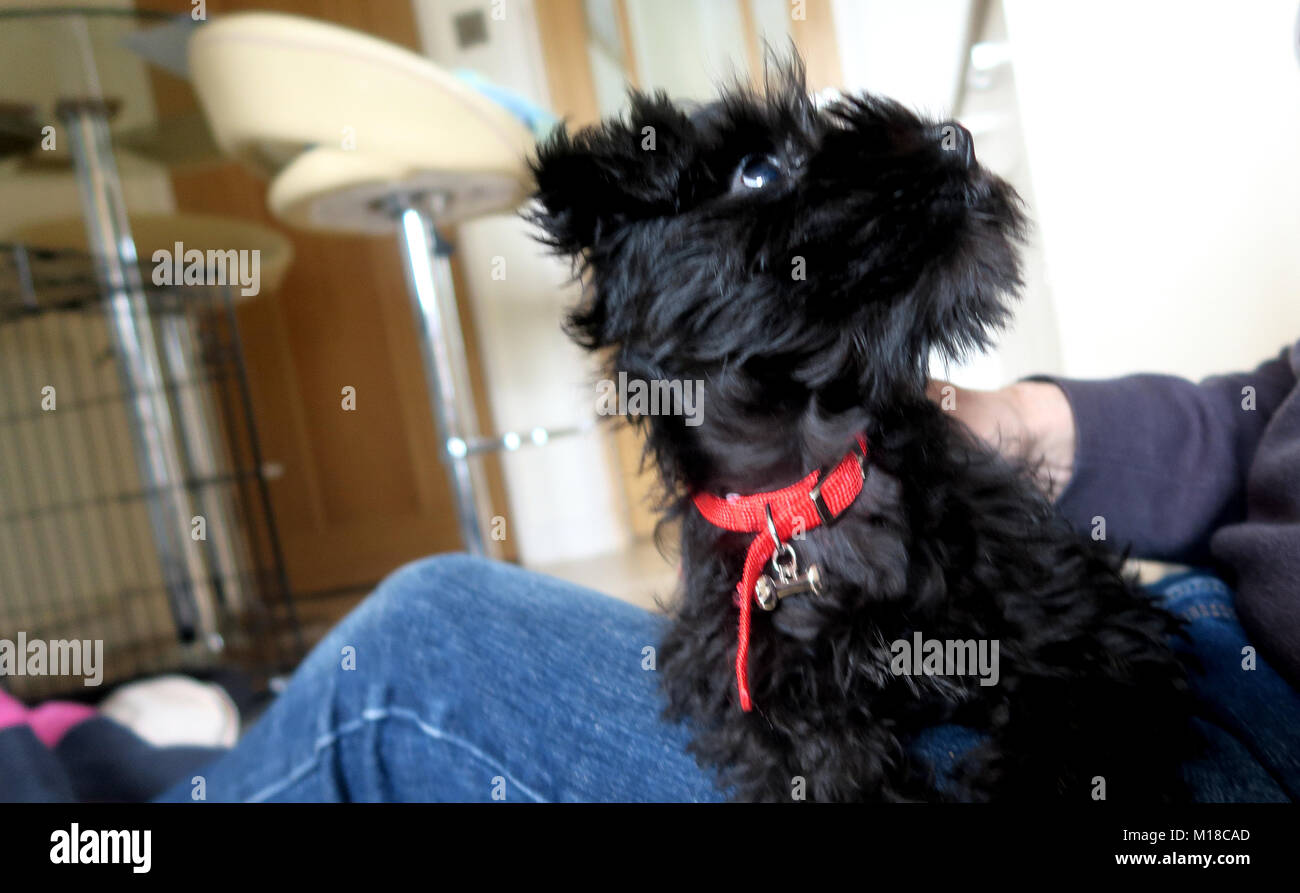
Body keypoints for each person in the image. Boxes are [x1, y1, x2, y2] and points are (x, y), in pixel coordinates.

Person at [4, 344, 1297, 802]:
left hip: (1225, 747)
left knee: (419, 651)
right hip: (1187, 631)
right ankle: (143, 753)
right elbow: (1261, 415)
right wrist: (1027, 426)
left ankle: (113, 766)